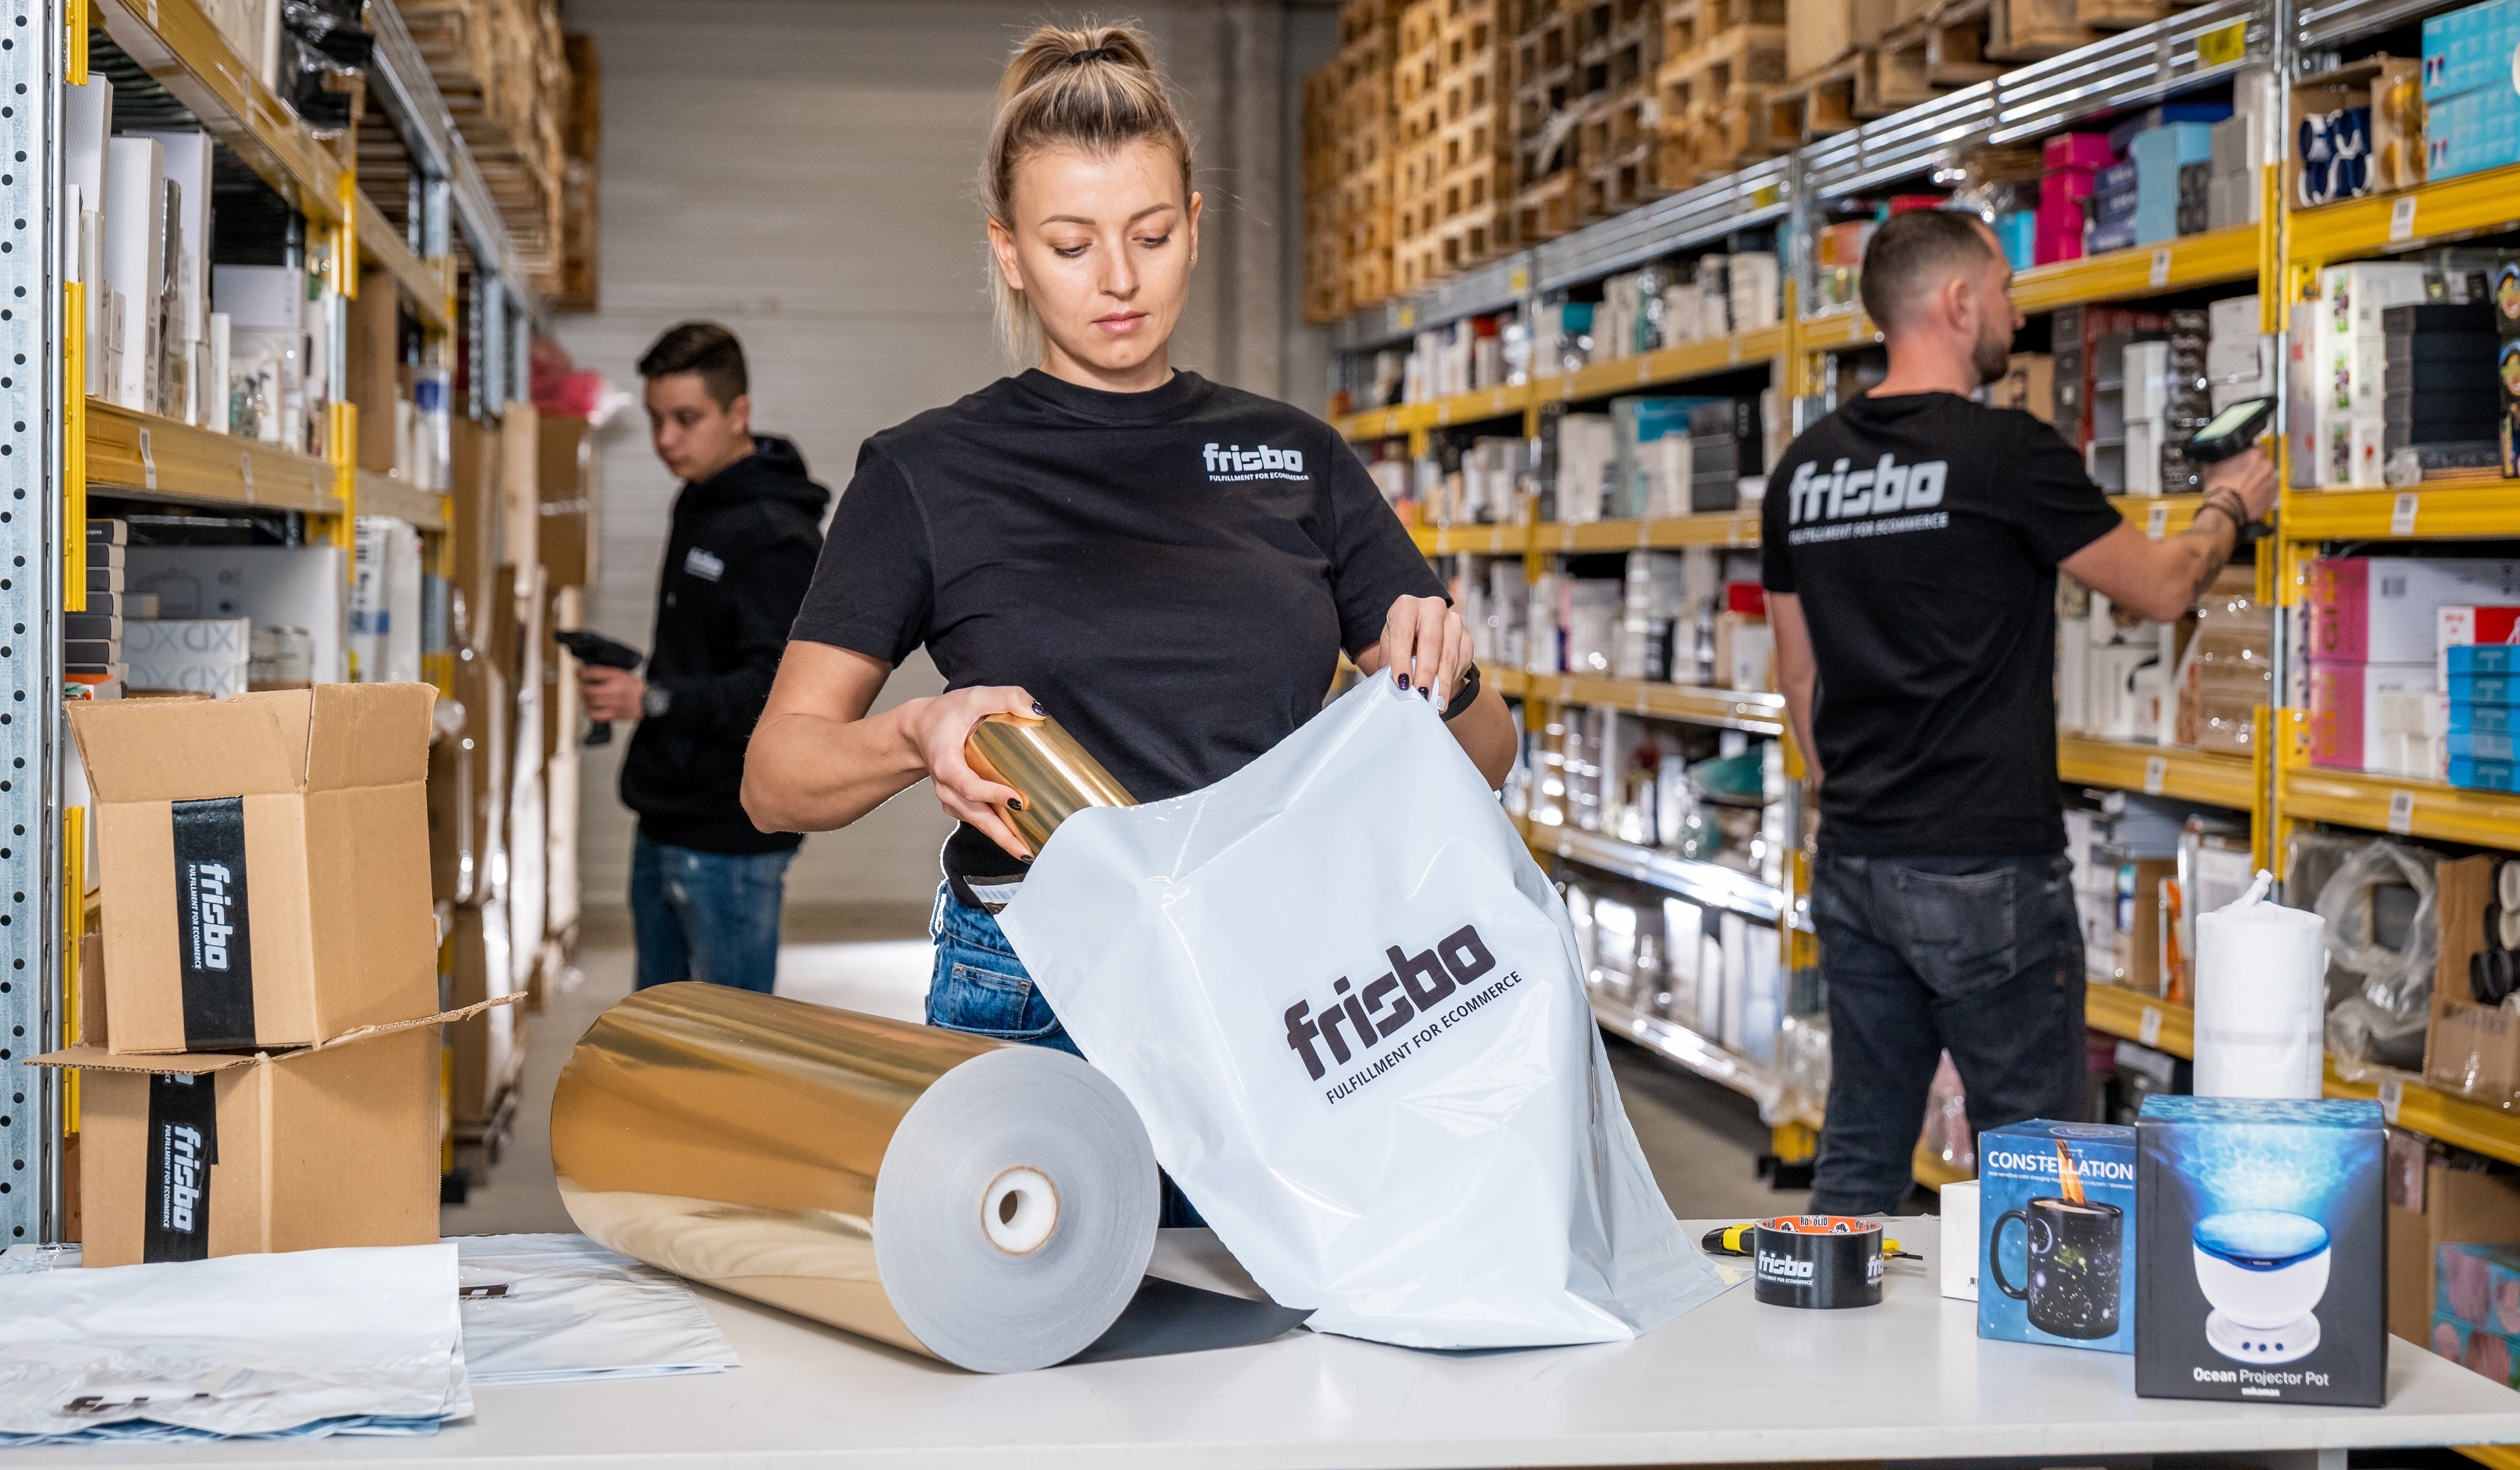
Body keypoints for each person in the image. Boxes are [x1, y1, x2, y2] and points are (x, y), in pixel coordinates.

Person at [742, 24, 1515, 1080]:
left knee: (1247, 1259)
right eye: (1071, 245)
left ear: (1195, 230)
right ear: (1009, 252)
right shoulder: (926, 472)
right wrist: (919, 732)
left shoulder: (1296, 457)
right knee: (1051, 1247)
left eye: (1151, 236)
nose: (1118, 279)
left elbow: (1487, 754)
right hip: (1035, 982)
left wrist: (1451, 675)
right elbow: (775, 779)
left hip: (1278, 977)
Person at [1761, 209, 2277, 1215]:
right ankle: (2056, 1354)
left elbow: (1797, 681)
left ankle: (1820, 1352)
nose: (2013, 314)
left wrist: (1863, 805)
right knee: (2045, 1171)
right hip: (1986, 866)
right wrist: (2231, 501)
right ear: (1957, 303)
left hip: (1857, 861)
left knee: (1861, 1150)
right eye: (2003, 291)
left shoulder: (1803, 471)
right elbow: (2166, 589)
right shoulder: (2004, 452)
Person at [580, 322, 831, 994]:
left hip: (729, 836)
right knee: (660, 1037)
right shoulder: (699, 500)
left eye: (686, 419)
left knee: (735, 1048)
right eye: (658, 419)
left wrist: (651, 700)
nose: (666, 440)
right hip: (666, 812)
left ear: (738, 413)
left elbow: (778, 690)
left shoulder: (777, 536)